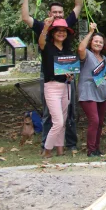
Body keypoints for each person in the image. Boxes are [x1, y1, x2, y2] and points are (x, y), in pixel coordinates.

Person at [21, 0, 82, 153]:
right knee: (49, 113)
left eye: (60, 13)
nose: (58, 15)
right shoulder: (42, 26)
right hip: (48, 74)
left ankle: (67, 145)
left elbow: (78, 5)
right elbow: (25, 17)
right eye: (54, 12)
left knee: (69, 111)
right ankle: (45, 146)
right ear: (49, 13)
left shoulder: (66, 25)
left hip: (67, 72)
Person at [37, 17, 76, 158]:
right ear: (53, 33)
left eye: (64, 31)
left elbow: (70, 67)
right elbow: (41, 42)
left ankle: (60, 149)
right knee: (58, 121)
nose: (61, 33)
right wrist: (45, 27)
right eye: (58, 31)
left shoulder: (67, 49)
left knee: (63, 121)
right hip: (52, 86)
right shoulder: (47, 46)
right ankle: (47, 150)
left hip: (66, 86)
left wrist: (70, 75)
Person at [77, 23, 106, 157]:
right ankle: (90, 150)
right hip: (88, 91)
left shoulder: (104, 58)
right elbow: (80, 48)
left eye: (100, 42)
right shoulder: (87, 55)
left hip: (102, 92)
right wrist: (91, 31)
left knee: (100, 122)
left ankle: (97, 148)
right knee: (94, 120)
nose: (98, 44)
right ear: (91, 42)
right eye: (95, 41)